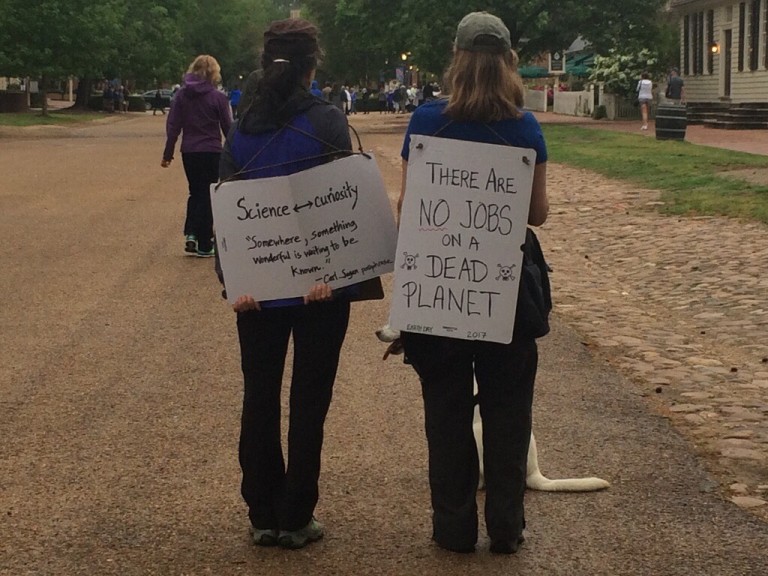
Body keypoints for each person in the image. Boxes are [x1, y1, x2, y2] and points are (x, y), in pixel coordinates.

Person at [396, 11, 549, 555]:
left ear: (456, 61)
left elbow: (410, 208)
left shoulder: (425, 122)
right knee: (508, 412)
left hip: (441, 285)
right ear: (508, 62)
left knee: (446, 410)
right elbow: (537, 213)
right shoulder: (525, 127)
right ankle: (506, 528)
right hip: (501, 290)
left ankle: (453, 526)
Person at [217, 17, 359, 551]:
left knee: (259, 397)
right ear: (311, 68)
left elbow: (224, 208)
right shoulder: (327, 121)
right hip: (320, 287)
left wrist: (233, 280)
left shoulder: (242, 125)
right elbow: (344, 206)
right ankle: (296, 514)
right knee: (308, 400)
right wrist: (334, 273)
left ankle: (262, 510)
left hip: (256, 286)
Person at [161, 54, 232, 257]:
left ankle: (191, 233)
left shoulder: (182, 96)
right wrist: (234, 151)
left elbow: (173, 126)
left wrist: (168, 152)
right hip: (211, 150)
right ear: (214, 73)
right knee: (208, 194)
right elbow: (228, 127)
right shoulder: (218, 97)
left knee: (195, 192)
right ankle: (204, 242)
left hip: (190, 151)